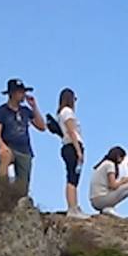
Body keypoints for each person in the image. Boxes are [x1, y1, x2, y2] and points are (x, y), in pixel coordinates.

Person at [0, 79, 45, 192]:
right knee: (4, 156)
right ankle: (0, 188)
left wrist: (34, 107)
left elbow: (42, 126)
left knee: (23, 186)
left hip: (24, 150)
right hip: (9, 147)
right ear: (12, 94)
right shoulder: (1, 111)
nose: (23, 95)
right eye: (20, 92)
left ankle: (19, 201)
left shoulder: (25, 111)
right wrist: (2, 146)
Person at [50, 87, 84, 215]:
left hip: (68, 145)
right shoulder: (67, 112)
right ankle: (72, 208)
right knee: (72, 178)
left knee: (73, 178)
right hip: (72, 145)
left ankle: (74, 206)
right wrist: (78, 150)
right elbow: (71, 131)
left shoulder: (61, 113)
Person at [88, 146, 128, 214]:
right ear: (118, 156)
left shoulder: (103, 164)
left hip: (94, 200)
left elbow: (109, 185)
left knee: (124, 185)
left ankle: (107, 208)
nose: (122, 161)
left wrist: (120, 182)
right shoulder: (110, 165)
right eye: (122, 158)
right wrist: (123, 181)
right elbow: (113, 186)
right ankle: (108, 207)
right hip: (100, 199)